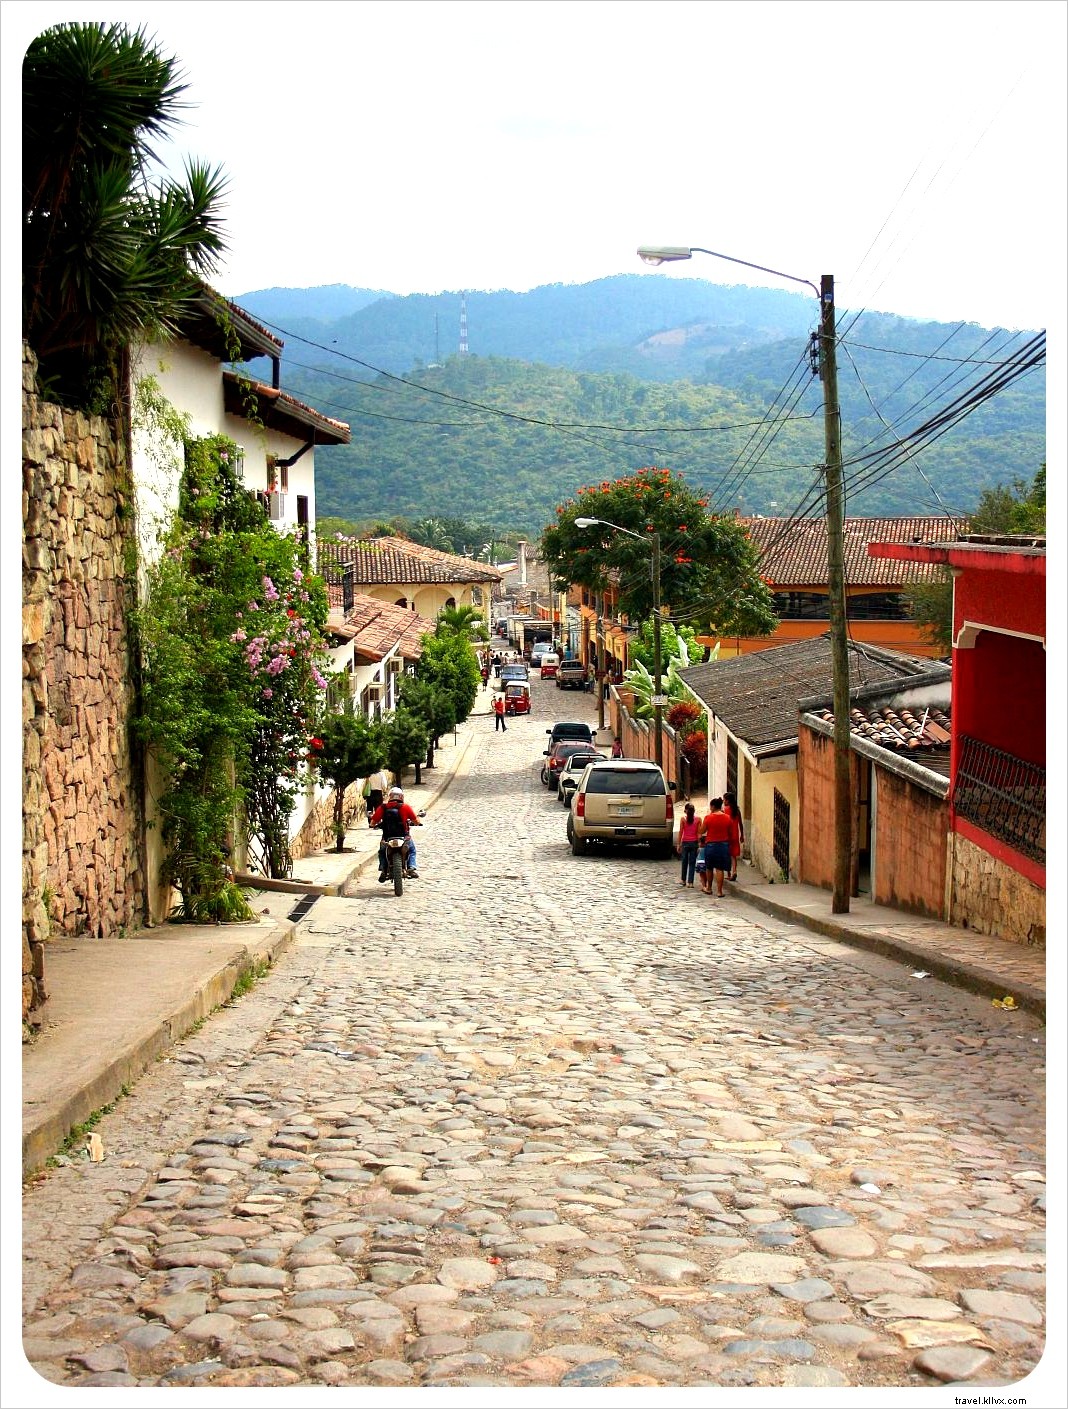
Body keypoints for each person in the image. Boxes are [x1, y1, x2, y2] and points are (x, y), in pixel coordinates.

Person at [370, 786, 423, 880]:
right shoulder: (405, 807)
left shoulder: (382, 807)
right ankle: (411, 867)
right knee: (411, 850)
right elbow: (416, 821)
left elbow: (372, 823)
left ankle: (383, 869)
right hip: (404, 836)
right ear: (401, 797)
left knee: (382, 851)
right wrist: (418, 822)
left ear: (390, 796)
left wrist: (374, 825)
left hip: (387, 837)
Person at [700, 797, 732, 898]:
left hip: (711, 845)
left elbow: (702, 831)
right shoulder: (727, 817)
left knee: (709, 868)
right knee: (720, 868)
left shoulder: (708, 818)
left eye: (710, 806)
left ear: (713, 806)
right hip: (723, 845)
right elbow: (730, 832)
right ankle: (719, 891)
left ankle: (709, 888)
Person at [677, 802, 701, 887]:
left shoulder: (683, 819)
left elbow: (681, 832)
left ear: (685, 811)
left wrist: (678, 844)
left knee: (684, 862)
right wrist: (699, 844)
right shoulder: (698, 819)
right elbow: (699, 833)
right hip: (694, 843)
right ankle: (690, 882)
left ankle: (683, 880)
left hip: (685, 843)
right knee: (692, 862)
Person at [724, 790, 744, 881]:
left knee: (727, 855)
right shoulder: (737, 810)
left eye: (725, 800)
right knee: (733, 855)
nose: (724, 801)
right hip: (735, 835)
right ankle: (734, 871)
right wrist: (742, 835)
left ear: (728, 800)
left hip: (727, 835)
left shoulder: (726, 810)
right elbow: (740, 823)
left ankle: (728, 873)